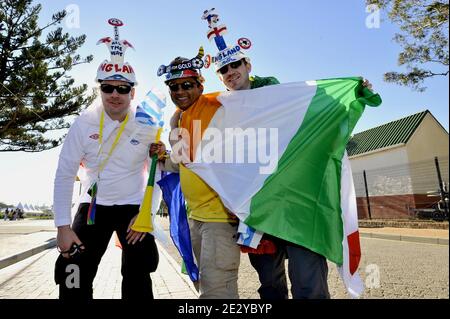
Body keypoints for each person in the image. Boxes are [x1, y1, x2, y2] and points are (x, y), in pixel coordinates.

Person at [53, 19, 158, 300]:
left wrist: (147, 213)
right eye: (108, 87)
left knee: (139, 274)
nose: (115, 94)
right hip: (92, 208)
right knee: (72, 271)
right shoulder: (83, 122)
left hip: (132, 208)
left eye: (123, 89)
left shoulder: (147, 123)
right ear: (98, 88)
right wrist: (62, 227)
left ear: (132, 92)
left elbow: (156, 172)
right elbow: (64, 174)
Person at [154, 51, 241, 299]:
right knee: (204, 284)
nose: (179, 91)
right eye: (174, 86)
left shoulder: (218, 107)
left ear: (200, 85)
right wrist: (164, 154)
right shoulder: (181, 117)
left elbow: (254, 104)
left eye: (187, 85)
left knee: (217, 292)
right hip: (196, 218)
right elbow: (182, 163)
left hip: (220, 218)